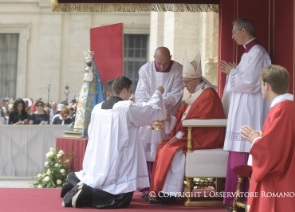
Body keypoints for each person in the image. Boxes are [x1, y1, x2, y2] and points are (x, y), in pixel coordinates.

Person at [60, 76, 167, 209]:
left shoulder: (98, 108)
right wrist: (158, 93)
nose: (130, 95)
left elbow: (92, 132)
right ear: (123, 91)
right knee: (120, 199)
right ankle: (86, 193)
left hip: (99, 161)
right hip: (119, 165)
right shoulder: (126, 107)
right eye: (129, 91)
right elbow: (150, 111)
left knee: (97, 181)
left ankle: (76, 181)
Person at [148, 52, 225, 204]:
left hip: (204, 136)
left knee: (171, 150)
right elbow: (183, 113)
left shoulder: (209, 94)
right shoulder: (197, 93)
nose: (184, 86)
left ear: (196, 80)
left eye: (186, 82)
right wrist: (170, 118)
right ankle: (158, 191)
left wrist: (182, 125)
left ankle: (169, 194)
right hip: (191, 132)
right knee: (163, 146)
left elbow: (204, 117)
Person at [218, 17, 271, 210]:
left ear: (244, 31)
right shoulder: (247, 54)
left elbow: (249, 83)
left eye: (233, 32)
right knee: (236, 151)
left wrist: (232, 72)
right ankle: (234, 199)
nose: (232, 36)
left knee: (243, 151)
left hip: (250, 109)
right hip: (242, 108)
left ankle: (243, 199)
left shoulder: (257, 52)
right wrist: (234, 71)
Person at [240, 65, 295, 212]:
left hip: (279, 184)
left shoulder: (281, 110)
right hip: (288, 179)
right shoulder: (289, 108)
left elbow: (271, 152)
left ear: (267, 85)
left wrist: (255, 141)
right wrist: (261, 138)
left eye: (261, 84)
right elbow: (279, 143)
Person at [135, 47, 184, 195]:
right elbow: (141, 92)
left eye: (165, 63)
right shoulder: (145, 69)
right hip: (149, 114)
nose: (162, 66)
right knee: (147, 148)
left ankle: (163, 184)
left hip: (167, 116)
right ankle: (148, 184)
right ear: (153, 58)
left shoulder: (178, 69)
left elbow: (176, 94)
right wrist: (151, 107)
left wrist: (158, 104)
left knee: (164, 148)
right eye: (159, 63)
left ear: (171, 57)